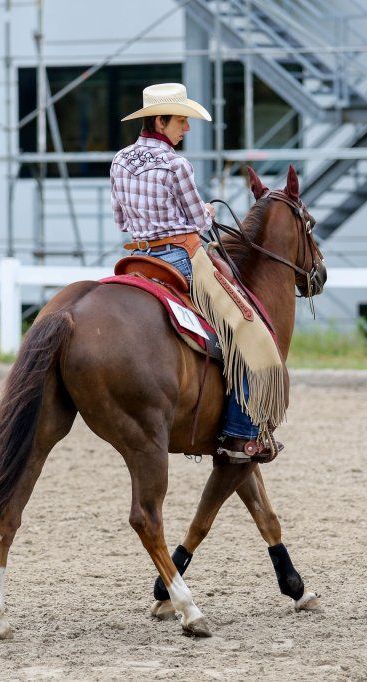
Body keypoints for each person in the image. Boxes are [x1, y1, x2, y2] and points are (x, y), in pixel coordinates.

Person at [110, 82, 275, 461]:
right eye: (182, 121)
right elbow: (196, 219)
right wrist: (208, 212)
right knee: (246, 332)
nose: (186, 129)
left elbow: (121, 218)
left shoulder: (120, 160)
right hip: (180, 259)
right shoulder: (176, 164)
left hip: (137, 259)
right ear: (161, 120)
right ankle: (239, 434)